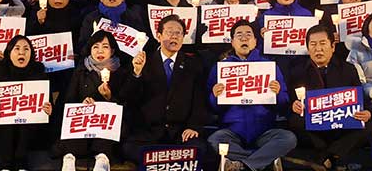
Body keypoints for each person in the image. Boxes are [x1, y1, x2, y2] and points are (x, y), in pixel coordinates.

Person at [208, 20, 296, 171]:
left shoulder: (270, 66)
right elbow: (212, 107)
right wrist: (214, 96)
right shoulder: (220, 68)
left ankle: (244, 165)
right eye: (239, 35)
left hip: (264, 131)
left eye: (249, 34)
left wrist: (278, 93)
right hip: (232, 132)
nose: (244, 38)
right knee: (214, 140)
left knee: (288, 138)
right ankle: (258, 161)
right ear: (232, 41)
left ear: (255, 41)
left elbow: (284, 104)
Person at [123, 14, 209, 161]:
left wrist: (193, 126)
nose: (174, 36)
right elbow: (129, 98)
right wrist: (137, 73)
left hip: (180, 133)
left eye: (178, 33)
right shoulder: (144, 61)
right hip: (149, 133)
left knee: (200, 150)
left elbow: (199, 100)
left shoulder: (193, 64)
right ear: (159, 35)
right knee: (128, 148)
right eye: (169, 32)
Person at [287, 24, 372, 169]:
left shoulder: (348, 69)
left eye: (322, 43)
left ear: (333, 46)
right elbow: (290, 101)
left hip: (342, 125)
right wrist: (294, 106)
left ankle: (327, 157)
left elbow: (361, 99)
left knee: (368, 126)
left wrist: (367, 112)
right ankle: (334, 156)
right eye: (313, 44)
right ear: (307, 48)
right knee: (295, 121)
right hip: (314, 128)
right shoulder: (297, 72)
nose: (318, 49)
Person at [57, 30, 145, 170]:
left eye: (105, 46)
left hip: (107, 125)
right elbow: (69, 100)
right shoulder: (81, 71)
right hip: (83, 123)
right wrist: (82, 104)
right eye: (95, 46)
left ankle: (102, 160)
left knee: (106, 140)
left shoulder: (121, 71)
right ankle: (69, 159)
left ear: (112, 50)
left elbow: (128, 101)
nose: (100, 50)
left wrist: (109, 98)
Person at [0, 36, 53, 170]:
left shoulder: (39, 70)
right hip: (4, 123)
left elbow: (47, 101)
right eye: (17, 49)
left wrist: (48, 108)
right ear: (9, 52)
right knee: (7, 123)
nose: (22, 53)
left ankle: (21, 164)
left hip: (31, 126)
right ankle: (6, 165)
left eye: (26, 49)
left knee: (26, 122)